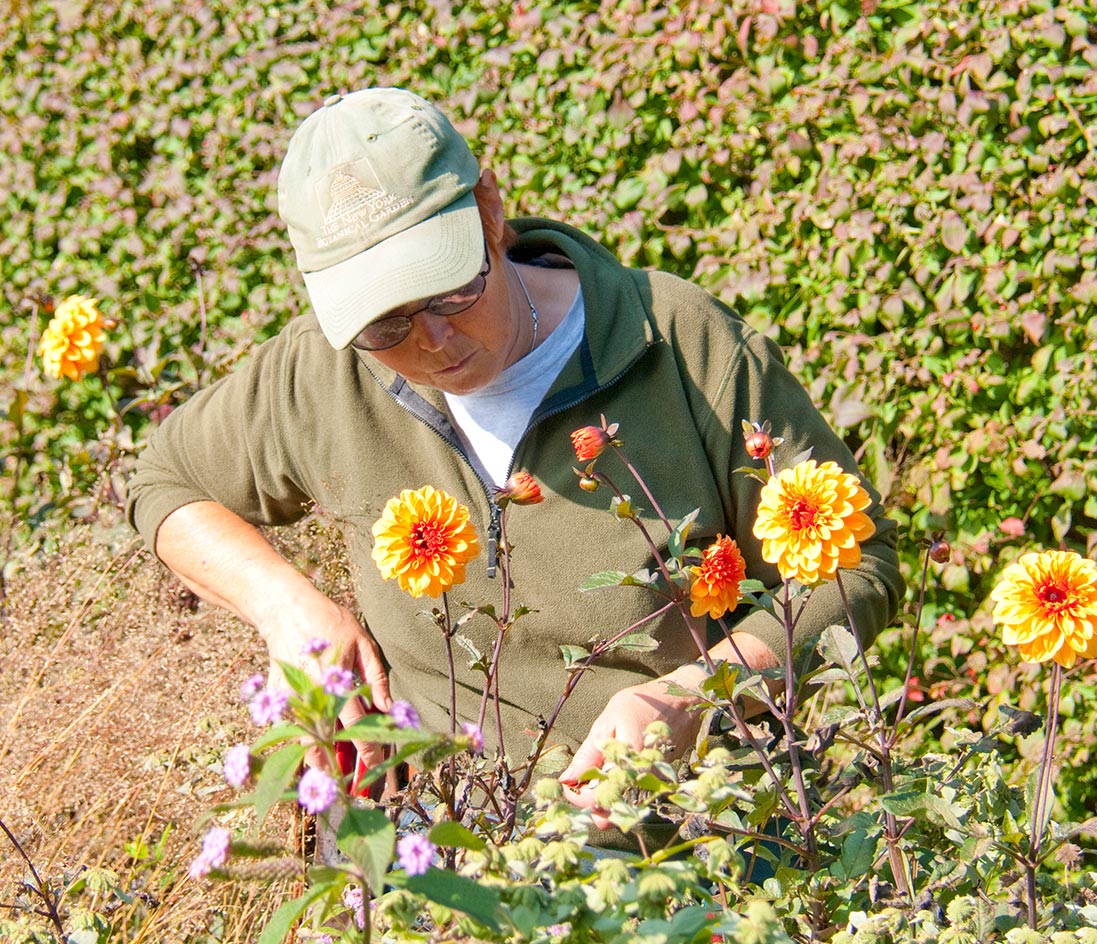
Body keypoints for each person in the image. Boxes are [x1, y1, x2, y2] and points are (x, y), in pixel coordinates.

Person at [126, 87, 904, 832]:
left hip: (678, 835)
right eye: (384, 321)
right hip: (440, 842)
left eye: (448, 291)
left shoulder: (681, 345)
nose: (430, 342)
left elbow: (858, 569)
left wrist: (697, 697)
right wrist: (285, 607)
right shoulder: (319, 376)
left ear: (489, 210)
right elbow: (164, 480)